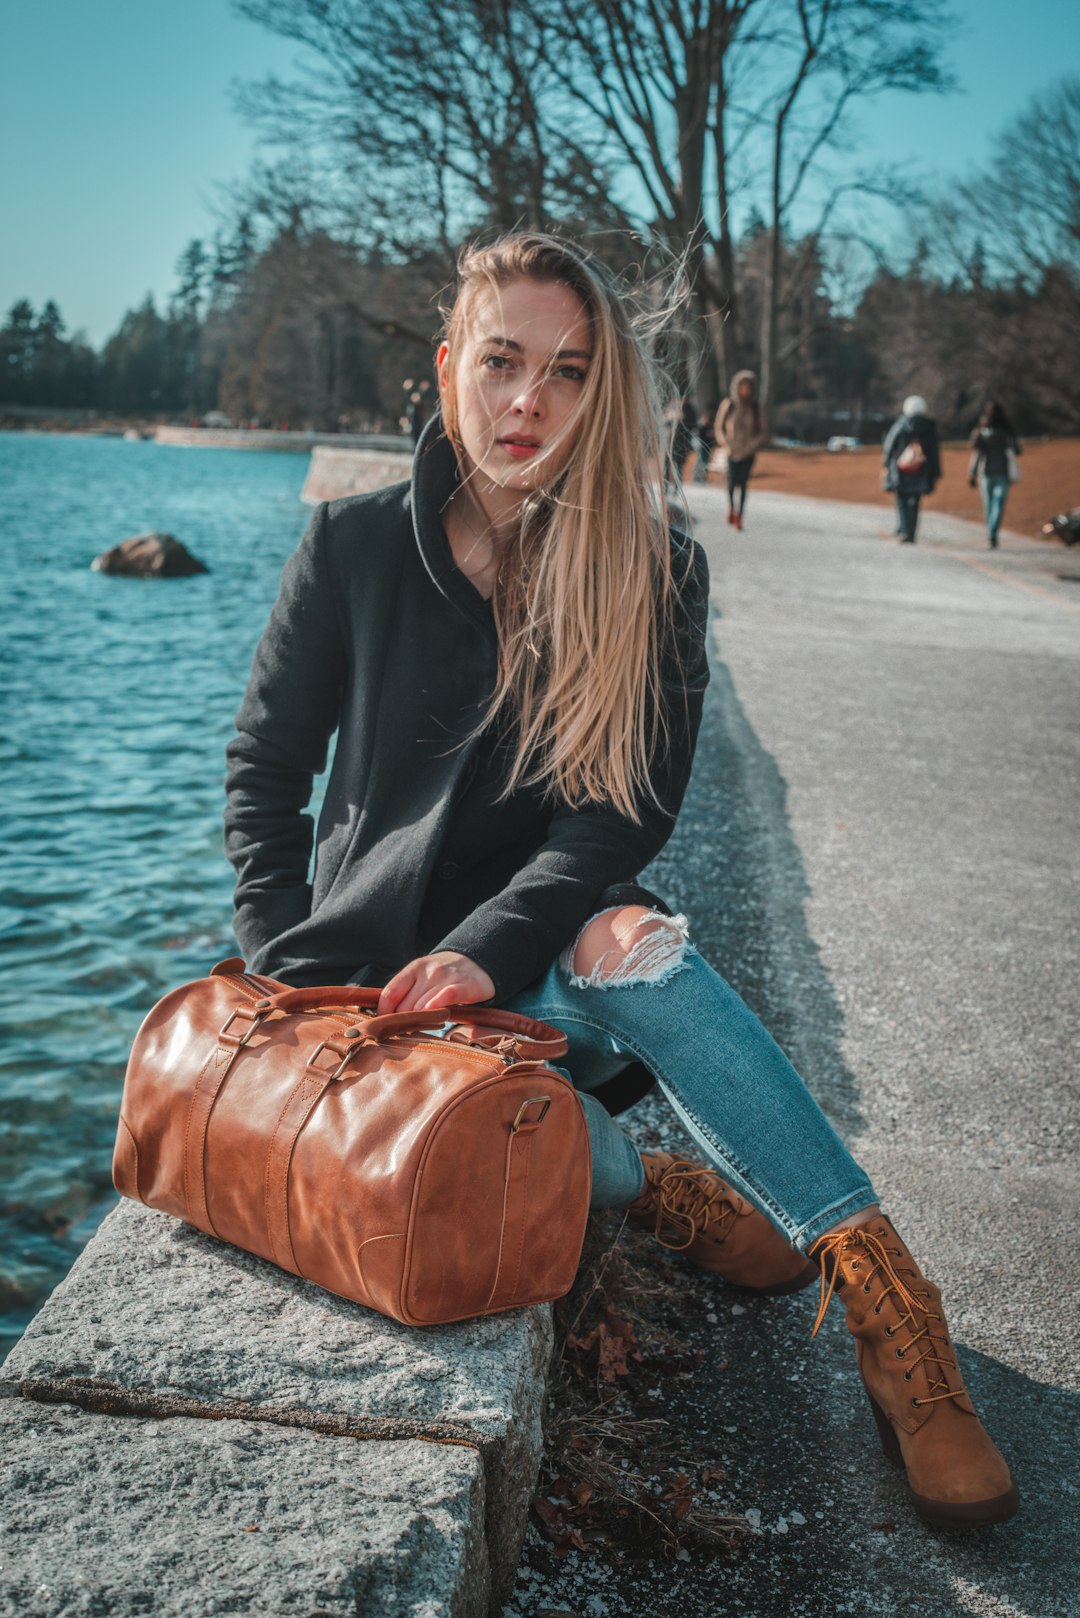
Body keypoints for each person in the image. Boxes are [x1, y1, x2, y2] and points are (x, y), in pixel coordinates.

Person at [224, 231, 1017, 1530]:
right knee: (554, 1156)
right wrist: (290, 972)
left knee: (628, 934)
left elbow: (621, 812)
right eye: (502, 362)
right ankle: (659, 1190)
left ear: (603, 394)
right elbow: (263, 778)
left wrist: (488, 947)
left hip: (537, 965)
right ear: (448, 368)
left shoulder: (653, 568)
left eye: (567, 371)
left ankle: (886, 1299)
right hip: (378, 1002)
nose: (528, 400)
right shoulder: (350, 551)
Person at [882, 396, 941, 544]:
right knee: (915, 502)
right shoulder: (929, 427)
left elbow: (889, 446)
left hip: (901, 470)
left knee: (901, 500)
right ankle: (912, 532)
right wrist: (936, 472)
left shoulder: (900, 425)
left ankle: (904, 529)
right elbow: (934, 453)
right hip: (922, 470)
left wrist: (886, 465)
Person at [714, 370, 767, 530]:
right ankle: (731, 507)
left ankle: (740, 515)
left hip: (748, 452)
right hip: (731, 450)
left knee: (743, 484)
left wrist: (752, 445)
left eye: (748, 387)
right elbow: (719, 427)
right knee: (731, 482)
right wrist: (725, 443)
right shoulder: (729, 405)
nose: (744, 390)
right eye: (742, 386)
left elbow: (763, 431)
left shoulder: (756, 408)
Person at [968, 400, 1022, 548]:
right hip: (1003, 471)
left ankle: (990, 534)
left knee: (988, 504)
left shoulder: (981, 430)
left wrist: (971, 473)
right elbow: (1018, 450)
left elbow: (976, 452)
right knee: (998, 504)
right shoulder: (1007, 431)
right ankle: (993, 533)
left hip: (985, 472)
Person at [693, 403, 717, 485]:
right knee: (701, 462)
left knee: (704, 462)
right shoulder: (702, 426)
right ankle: (697, 477)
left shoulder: (710, 425)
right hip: (702, 446)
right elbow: (699, 435)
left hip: (708, 446)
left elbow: (713, 437)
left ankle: (702, 477)